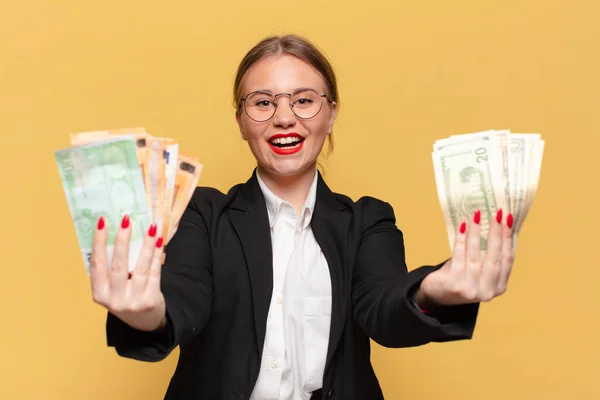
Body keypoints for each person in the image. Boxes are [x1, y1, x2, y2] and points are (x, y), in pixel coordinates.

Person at [90, 34, 516, 400]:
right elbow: (182, 301)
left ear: (331, 114)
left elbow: (382, 307)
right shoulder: (203, 213)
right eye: (262, 102)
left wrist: (433, 290)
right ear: (241, 121)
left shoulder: (366, 221)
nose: (284, 117)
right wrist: (143, 311)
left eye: (304, 100)